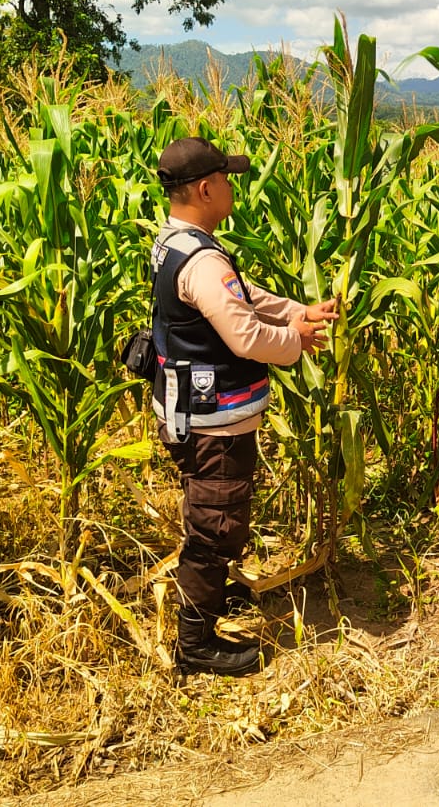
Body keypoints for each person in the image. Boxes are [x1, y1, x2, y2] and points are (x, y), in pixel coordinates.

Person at [150, 136, 337, 675]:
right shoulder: (203, 261)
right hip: (213, 423)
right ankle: (195, 643)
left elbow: (241, 295)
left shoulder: (177, 243)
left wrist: (299, 311)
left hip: (190, 410)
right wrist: (296, 340)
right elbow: (246, 336)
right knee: (215, 524)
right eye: (226, 179)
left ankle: (211, 593)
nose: (233, 188)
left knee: (215, 511)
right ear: (205, 189)